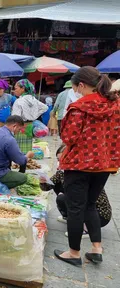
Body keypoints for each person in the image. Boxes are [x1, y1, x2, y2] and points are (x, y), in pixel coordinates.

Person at [54, 66, 120, 266]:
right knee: (90, 205)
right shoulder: (115, 104)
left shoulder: (80, 107)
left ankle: (74, 253)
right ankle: (96, 249)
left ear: (81, 85)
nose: (76, 91)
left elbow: (69, 137)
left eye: (76, 88)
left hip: (80, 164)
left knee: (75, 209)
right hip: (105, 165)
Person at [40, 144, 111, 236]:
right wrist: (43, 182)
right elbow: (48, 186)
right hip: (80, 205)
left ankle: (85, 227)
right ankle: (71, 218)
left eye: (63, 159)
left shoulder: (82, 174)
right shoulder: (61, 172)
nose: (60, 162)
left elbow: (82, 200)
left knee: (65, 198)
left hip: (98, 214)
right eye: (58, 160)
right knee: (59, 191)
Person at [11, 79, 48, 153]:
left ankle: (19, 163)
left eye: (16, 88)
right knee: (27, 149)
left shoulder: (19, 101)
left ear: (23, 89)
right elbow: (45, 107)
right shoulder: (33, 99)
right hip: (30, 126)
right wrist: (34, 116)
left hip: (19, 127)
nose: (14, 90)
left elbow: (15, 117)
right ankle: (26, 163)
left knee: (17, 150)